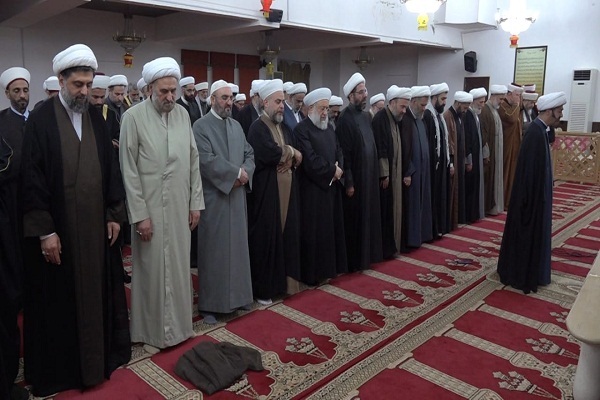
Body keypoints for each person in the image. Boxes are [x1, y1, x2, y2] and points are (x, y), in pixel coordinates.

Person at [20, 44, 130, 397]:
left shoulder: (97, 120)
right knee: (59, 304)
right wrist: (45, 232)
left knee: (97, 295)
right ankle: (65, 372)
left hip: (96, 232)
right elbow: (31, 180)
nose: (84, 92)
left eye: (88, 84)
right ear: (61, 80)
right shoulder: (41, 121)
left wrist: (114, 214)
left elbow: (111, 171)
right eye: (77, 85)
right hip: (60, 234)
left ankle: (98, 361)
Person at [120, 56, 204, 349]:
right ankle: (151, 333)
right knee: (152, 272)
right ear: (149, 89)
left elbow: (193, 159)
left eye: (173, 91)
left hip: (180, 205)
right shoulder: (132, 118)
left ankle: (180, 329)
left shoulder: (183, 114)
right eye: (164, 91)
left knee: (179, 269)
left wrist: (195, 202)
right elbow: (129, 170)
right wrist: (140, 215)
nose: (170, 97)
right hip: (150, 208)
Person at [193, 80, 255, 324]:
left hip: (236, 198)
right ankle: (211, 305)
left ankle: (239, 298)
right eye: (224, 98)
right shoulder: (200, 126)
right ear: (212, 100)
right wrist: (235, 174)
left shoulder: (236, 126)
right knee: (214, 253)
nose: (229, 102)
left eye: (231, 98)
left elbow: (249, 153)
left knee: (238, 251)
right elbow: (205, 160)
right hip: (215, 199)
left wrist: (245, 172)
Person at [497, 92, 566, 294]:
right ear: (549, 111)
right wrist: (528, 203)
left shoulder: (541, 130)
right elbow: (527, 174)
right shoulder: (534, 133)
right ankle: (521, 275)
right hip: (530, 202)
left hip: (537, 199)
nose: (561, 114)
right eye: (559, 110)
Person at [247, 79, 303, 304]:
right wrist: (290, 152)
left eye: (282, 102)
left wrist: (290, 156)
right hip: (267, 195)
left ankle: (285, 285)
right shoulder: (257, 128)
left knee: (287, 238)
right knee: (266, 240)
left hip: (288, 192)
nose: (281, 106)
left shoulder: (285, 127)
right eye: (277, 102)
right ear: (265, 102)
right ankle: (265, 289)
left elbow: (297, 156)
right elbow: (269, 153)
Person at [294, 87, 347, 285]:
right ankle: (313, 275)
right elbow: (310, 160)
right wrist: (332, 171)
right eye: (322, 109)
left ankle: (328, 270)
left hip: (330, 188)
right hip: (312, 191)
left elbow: (339, 150)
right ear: (310, 109)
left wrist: (339, 168)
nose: (325, 113)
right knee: (314, 232)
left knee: (329, 231)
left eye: (327, 108)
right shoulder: (301, 130)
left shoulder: (329, 128)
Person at [0, 66, 31, 400]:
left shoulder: (35, 121)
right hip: (9, 216)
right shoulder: (2, 124)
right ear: (7, 93)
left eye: (25, 90)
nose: (22, 96)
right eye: (16, 91)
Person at [336, 72, 382, 270]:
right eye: (361, 92)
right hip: (355, 181)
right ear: (351, 95)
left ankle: (368, 256)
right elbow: (344, 154)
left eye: (365, 91)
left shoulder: (365, 117)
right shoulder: (344, 119)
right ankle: (355, 261)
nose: (365, 95)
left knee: (369, 217)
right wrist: (349, 182)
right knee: (356, 221)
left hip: (369, 177)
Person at [90, 74, 132, 284]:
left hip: (109, 177)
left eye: (101, 97)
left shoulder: (110, 114)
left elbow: (118, 138)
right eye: (95, 97)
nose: (99, 102)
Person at [372, 85, 411, 258]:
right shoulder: (380, 119)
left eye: (406, 107)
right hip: (386, 178)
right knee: (386, 212)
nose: (404, 111)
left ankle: (394, 245)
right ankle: (385, 249)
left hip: (396, 173)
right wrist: (384, 174)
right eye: (402, 107)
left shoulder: (396, 119)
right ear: (393, 102)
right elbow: (381, 147)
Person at [401, 86, 433, 249]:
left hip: (423, 170)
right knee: (413, 205)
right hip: (412, 172)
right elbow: (404, 149)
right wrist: (408, 171)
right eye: (422, 105)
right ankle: (412, 239)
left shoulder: (421, 119)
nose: (424, 108)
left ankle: (422, 235)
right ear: (413, 102)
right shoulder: (406, 120)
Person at [424, 82, 452, 237]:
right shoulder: (428, 116)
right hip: (433, 166)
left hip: (441, 165)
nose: (444, 102)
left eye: (445, 99)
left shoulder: (439, 117)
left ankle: (440, 227)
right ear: (434, 98)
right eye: (442, 99)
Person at [444, 91, 472, 230]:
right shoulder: (448, 116)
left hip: (459, 160)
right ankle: (449, 223)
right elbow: (448, 142)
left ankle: (456, 220)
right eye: (465, 107)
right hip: (453, 161)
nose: (466, 110)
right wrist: (450, 163)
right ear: (459, 103)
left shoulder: (460, 116)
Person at [480, 84, 506, 216]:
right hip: (490, 153)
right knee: (488, 181)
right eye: (500, 99)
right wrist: (486, 154)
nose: (501, 102)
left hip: (496, 152)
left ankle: (494, 206)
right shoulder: (485, 110)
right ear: (494, 96)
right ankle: (487, 207)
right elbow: (484, 136)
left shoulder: (494, 110)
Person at [463, 87, 487, 223]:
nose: (482, 105)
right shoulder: (468, 116)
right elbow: (468, 139)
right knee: (470, 187)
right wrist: (469, 160)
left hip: (476, 157)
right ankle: (469, 215)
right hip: (471, 159)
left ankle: (474, 214)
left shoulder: (476, 116)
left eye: (483, 102)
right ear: (473, 102)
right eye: (480, 102)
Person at [499, 83, 523, 210]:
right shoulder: (503, 106)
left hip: (514, 147)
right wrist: (516, 105)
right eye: (517, 95)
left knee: (512, 174)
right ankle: (503, 201)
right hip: (505, 147)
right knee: (505, 174)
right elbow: (511, 119)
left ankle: (510, 200)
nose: (519, 98)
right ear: (509, 94)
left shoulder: (513, 107)